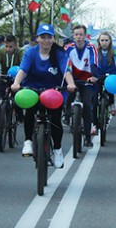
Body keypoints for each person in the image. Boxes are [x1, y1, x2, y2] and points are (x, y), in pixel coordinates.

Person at [11, 24, 76, 168]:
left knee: (55, 120)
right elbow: (23, 70)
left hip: (53, 90)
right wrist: (16, 83)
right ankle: (28, 141)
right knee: (30, 111)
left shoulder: (59, 53)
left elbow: (66, 71)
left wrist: (70, 84)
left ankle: (58, 150)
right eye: (43, 37)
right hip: (33, 88)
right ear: (37, 39)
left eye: (49, 37)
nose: (46, 40)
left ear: (53, 39)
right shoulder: (31, 53)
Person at [64, 24, 99, 148]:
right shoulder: (68, 48)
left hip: (87, 80)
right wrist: (68, 79)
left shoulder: (91, 48)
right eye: (76, 34)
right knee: (69, 95)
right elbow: (65, 63)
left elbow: (94, 62)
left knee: (87, 104)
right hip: (72, 79)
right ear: (73, 36)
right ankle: (67, 114)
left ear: (85, 36)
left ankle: (88, 138)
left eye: (81, 34)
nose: (78, 37)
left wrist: (93, 76)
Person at [96, 31, 116, 118]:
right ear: (99, 41)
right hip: (99, 74)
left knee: (110, 89)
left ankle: (112, 104)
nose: (104, 43)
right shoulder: (96, 50)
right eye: (102, 40)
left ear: (110, 41)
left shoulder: (114, 50)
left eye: (106, 40)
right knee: (96, 91)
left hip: (111, 74)